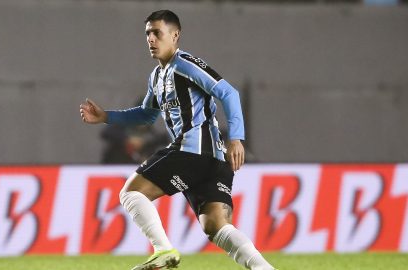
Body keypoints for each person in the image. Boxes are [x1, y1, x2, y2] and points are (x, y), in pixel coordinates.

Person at [80, 10, 276, 270]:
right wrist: (107, 116)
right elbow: (147, 115)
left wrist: (237, 138)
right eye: (147, 33)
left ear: (175, 36)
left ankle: (163, 251)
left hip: (192, 151)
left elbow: (228, 92)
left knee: (131, 193)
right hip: (212, 162)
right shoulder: (156, 77)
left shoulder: (185, 64)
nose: (151, 38)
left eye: (157, 33)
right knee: (216, 226)